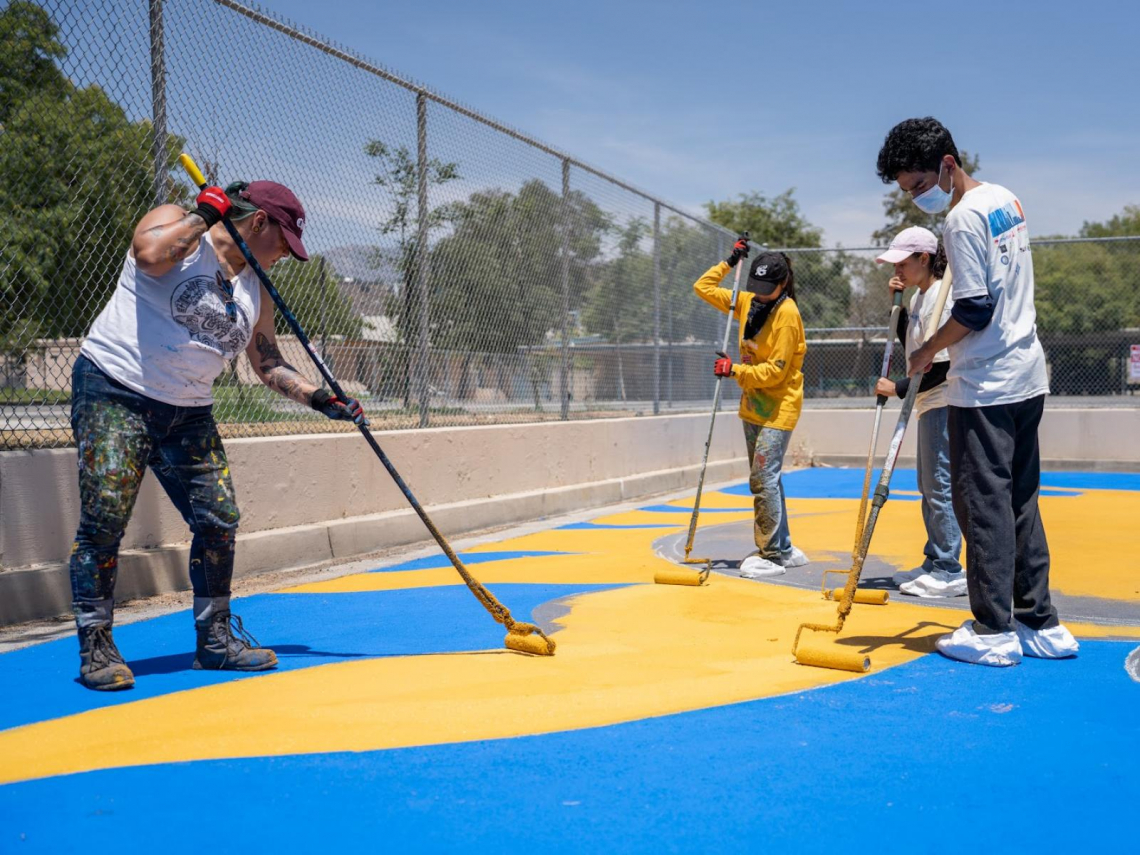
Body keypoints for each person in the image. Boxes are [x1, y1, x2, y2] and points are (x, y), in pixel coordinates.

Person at [70, 179, 367, 690]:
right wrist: (204, 215)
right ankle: (96, 645)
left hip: (187, 412)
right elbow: (149, 254)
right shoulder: (179, 225)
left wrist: (319, 398)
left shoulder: (255, 285)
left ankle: (214, 641)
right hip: (115, 388)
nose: (282, 258)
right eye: (283, 244)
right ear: (258, 222)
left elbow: (266, 360)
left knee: (218, 519)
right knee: (105, 518)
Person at [876, 116, 1078, 667]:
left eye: (918, 186)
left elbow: (973, 309)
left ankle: (992, 629)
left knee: (982, 504)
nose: (917, 198)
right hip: (1027, 374)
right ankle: (1040, 623)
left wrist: (926, 352)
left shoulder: (961, 221)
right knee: (1019, 500)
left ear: (947, 163)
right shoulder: (1005, 199)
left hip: (985, 383)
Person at [694, 238, 809, 578]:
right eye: (755, 287)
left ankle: (772, 555)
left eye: (766, 288)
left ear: (782, 283)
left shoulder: (787, 316)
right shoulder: (745, 302)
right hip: (753, 407)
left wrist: (735, 371)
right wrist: (730, 260)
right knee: (766, 480)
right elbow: (703, 287)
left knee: (763, 479)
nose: (759, 294)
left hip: (779, 407)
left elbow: (776, 373)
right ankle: (783, 547)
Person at [873, 226, 965, 598]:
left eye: (903, 263)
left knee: (939, 485)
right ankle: (934, 558)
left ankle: (948, 568)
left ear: (924, 259)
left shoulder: (942, 296)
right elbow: (911, 348)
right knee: (927, 485)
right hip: (926, 403)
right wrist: (897, 303)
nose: (897, 270)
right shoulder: (920, 299)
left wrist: (897, 388)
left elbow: (939, 365)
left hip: (942, 399)